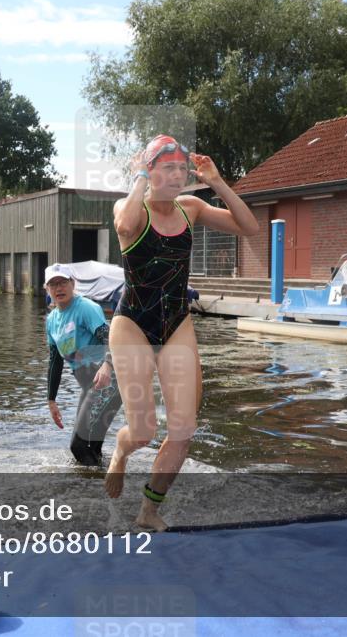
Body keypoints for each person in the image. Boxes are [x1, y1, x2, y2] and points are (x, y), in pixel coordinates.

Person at [106, 135, 259, 530]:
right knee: (142, 432)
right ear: (150, 170)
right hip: (133, 324)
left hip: (176, 323)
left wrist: (219, 183)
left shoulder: (191, 208)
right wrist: (140, 173)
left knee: (183, 428)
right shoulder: (129, 207)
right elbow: (124, 225)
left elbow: (250, 227)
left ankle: (148, 509)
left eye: (181, 169)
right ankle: (121, 452)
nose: (176, 176)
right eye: (167, 168)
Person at [44, 263, 123, 466]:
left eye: (63, 282)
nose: (59, 288)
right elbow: (55, 361)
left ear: (73, 283)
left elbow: (109, 339)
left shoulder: (86, 308)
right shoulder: (52, 320)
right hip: (89, 385)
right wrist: (51, 400)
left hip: (108, 381)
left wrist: (107, 365)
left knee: (78, 446)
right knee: (89, 446)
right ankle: (99, 485)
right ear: (47, 289)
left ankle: (99, 488)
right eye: (53, 284)